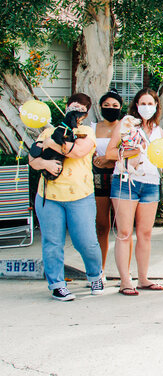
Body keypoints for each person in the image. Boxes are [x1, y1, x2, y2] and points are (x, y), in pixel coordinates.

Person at [28, 93, 103, 301]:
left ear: (85, 114)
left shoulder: (86, 132)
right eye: (73, 106)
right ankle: (57, 285)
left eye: (81, 109)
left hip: (80, 196)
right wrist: (46, 163)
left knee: (86, 242)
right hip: (49, 197)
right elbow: (33, 158)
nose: (75, 111)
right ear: (67, 107)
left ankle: (95, 275)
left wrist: (51, 144)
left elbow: (76, 152)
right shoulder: (49, 131)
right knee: (52, 243)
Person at [106, 88, 163, 295]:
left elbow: (161, 158)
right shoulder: (126, 125)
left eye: (151, 104)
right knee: (124, 233)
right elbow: (110, 152)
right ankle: (125, 280)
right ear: (136, 105)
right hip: (127, 181)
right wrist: (130, 151)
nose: (147, 107)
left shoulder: (159, 131)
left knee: (145, 233)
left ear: (156, 106)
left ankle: (143, 278)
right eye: (143, 103)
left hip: (150, 183)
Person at [91, 89, 126, 277]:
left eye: (114, 105)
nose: (110, 108)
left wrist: (108, 160)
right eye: (106, 105)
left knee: (122, 227)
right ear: (100, 107)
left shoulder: (125, 128)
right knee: (102, 225)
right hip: (99, 178)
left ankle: (124, 272)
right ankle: (100, 270)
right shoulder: (92, 128)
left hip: (120, 176)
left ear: (120, 107)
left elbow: (131, 153)